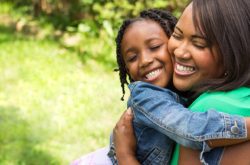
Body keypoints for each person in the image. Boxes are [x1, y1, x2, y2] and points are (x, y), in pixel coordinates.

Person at [71, 5, 250, 165]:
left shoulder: (194, 91)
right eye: (132, 58)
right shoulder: (147, 96)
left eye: (155, 47)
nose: (145, 61)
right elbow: (191, 129)